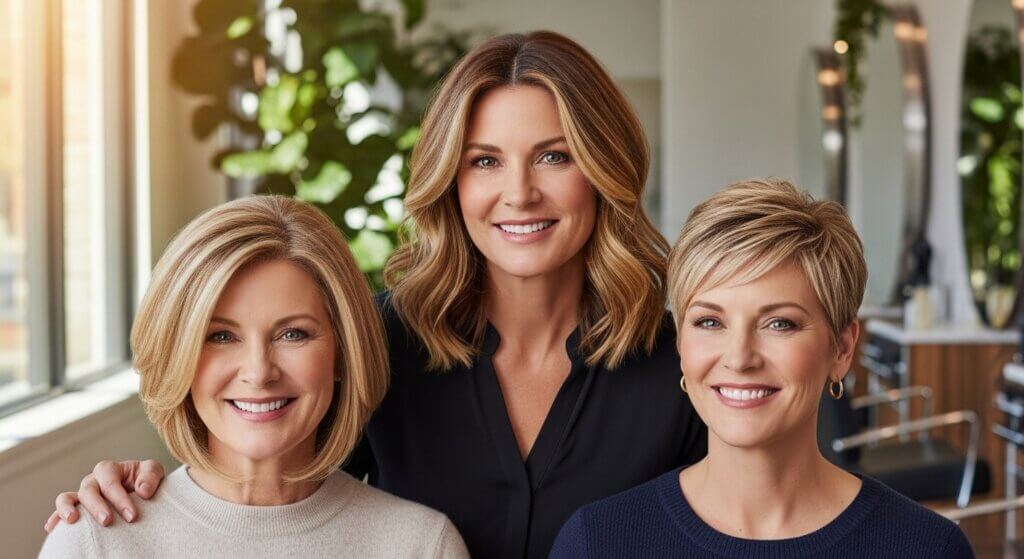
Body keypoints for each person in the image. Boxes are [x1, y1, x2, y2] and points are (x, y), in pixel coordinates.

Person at [44, 31, 707, 558]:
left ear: (605, 169)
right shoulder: (378, 343)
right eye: (484, 160)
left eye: (554, 156)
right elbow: (265, 477)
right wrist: (135, 499)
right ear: (450, 180)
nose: (520, 192)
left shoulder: (681, 366)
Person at [549, 178, 974, 558]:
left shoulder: (927, 548)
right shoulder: (597, 542)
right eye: (709, 322)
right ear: (680, 344)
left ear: (842, 349)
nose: (739, 358)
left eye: (779, 324)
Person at [40, 197, 468, 558]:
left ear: (342, 351)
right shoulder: (93, 542)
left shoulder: (421, 546)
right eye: (221, 336)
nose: (260, 372)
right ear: (177, 354)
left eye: (293, 334)